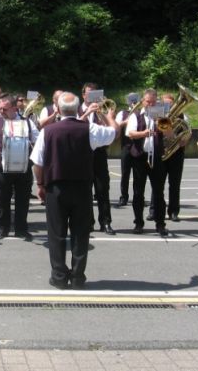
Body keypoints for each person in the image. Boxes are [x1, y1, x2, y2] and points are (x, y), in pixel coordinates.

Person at [30, 91, 117, 289]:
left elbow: (37, 162)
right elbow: (113, 133)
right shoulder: (89, 129)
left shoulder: (48, 131)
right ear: (78, 109)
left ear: (58, 109)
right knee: (80, 233)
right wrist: (108, 117)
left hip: (56, 187)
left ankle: (59, 276)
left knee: (56, 233)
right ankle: (78, 277)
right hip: (82, 187)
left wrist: (40, 184)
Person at [0, 93, 39, 241]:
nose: (1, 112)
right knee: (3, 199)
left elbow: (39, 140)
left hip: (24, 168)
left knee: (23, 199)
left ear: (15, 109)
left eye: (4, 109)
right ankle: (2, 228)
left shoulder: (28, 122)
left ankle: (21, 229)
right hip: (3, 167)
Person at [125, 88, 170, 237]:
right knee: (138, 192)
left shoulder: (161, 115)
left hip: (156, 157)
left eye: (153, 102)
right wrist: (144, 134)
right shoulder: (136, 116)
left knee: (158, 192)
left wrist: (161, 122)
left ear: (156, 101)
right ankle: (138, 222)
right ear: (142, 102)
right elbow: (130, 133)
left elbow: (169, 134)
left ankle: (160, 224)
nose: (150, 104)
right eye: (147, 101)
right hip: (139, 157)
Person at [78, 83, 115, 235]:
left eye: (95, 94)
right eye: (89, 94)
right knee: (84, 190)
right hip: (82, 154)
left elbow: (112, 129)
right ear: (83, 95)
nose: (92, 97)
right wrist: (87, 112)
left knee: (102, 189)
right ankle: (88, 222)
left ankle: (105, 222)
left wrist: (101, 114)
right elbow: (73, 125)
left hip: (99, 154)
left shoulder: (102, 109)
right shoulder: (76, 109)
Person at [147, 92, 188, 222]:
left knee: (174, 183)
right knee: (157, 183)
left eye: (170, 104)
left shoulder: (183, 117)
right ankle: (154, 210)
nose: (168, 107)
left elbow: (187, 133)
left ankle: (173, 211)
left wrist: (183, 139)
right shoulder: (156, 115)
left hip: (176, 153)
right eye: (164, 104)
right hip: (160, 152)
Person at [115, 93, 139, 207]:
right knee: (125, 173)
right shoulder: (122, 113)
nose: (134, 103)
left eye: (135, 101)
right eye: (132, 101)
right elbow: (116, 125)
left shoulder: (141, 113)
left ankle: (137, 197)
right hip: (126, 146)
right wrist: (126, 121)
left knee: (138, 174)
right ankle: (124, 196)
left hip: (138, 146)